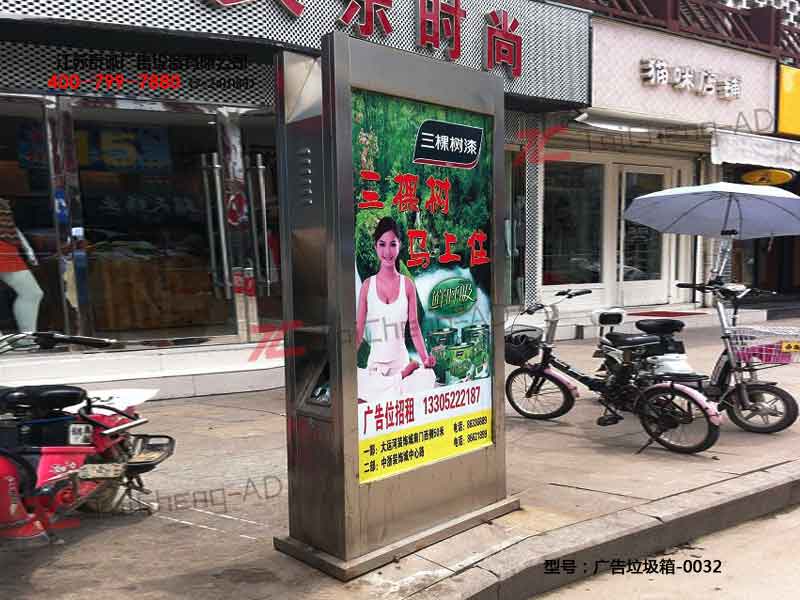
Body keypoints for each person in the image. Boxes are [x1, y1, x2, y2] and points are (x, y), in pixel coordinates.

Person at [356, 217, 435, 401]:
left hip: (401, 362)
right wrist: (347, 362)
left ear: (400, 245)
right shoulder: (367, 286)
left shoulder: (407, 285)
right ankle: (399, 379)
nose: (387, 251)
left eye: (393, 244)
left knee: (428, 377)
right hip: (375, 369)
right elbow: (358, 331)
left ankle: (403, 376)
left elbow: (414, 328)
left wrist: (425, 359)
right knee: (360, 382)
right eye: (382, 244)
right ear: (375, 247)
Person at [0, 198, 43, 332]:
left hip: (7, 247)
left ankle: (27, 338)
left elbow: (12, 227)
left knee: (32, 293)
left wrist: (27, 248)